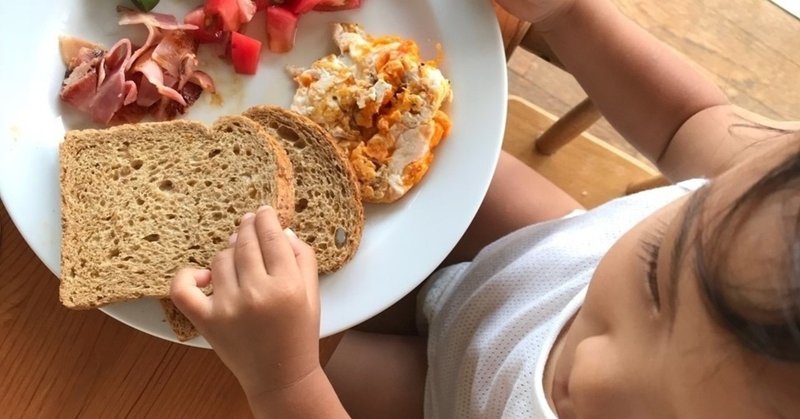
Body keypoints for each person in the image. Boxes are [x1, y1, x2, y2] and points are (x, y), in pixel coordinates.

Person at [169, 0, 800, 417]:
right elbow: (690, 123)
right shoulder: (769, 201)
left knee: (237, 357)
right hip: (535, 259)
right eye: (656, 277)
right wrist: (570, 14)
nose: (593, 374)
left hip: (450, 396)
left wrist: (285, 382)